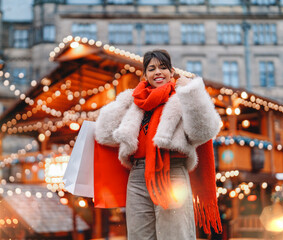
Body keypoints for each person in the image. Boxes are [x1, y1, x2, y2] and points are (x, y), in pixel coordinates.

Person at [95, 49, 222, 240]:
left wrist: (191, 93)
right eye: (151, 68)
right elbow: (104, 135)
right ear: (145, 75)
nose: (158, 72)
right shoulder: (136, 102)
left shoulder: (181, 98)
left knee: (175, 235)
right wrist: (124, 101)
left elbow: (203, 132)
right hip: (137, 176)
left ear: (172, 72)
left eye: (163, 67)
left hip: (172, 173)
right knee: (139, 236)